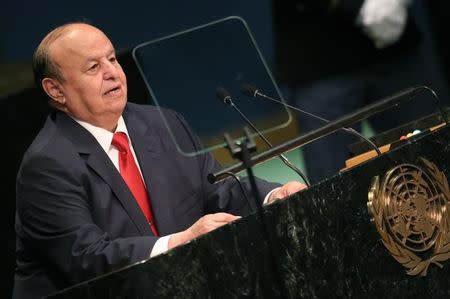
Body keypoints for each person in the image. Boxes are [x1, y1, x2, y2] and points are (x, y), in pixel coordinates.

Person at [13, 22, 306, 299]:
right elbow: (87, 258)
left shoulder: (162, 123)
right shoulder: (47, 164)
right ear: (56, 90)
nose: (112, 72)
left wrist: (272, 196)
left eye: (113, 59)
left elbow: (216, 188)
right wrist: (181, 242)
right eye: (93, 67)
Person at [273, 0, 449, 183]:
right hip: (317, 53)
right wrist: (356, 5)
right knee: (335, 191)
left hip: (396, 42)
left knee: (434, 168)